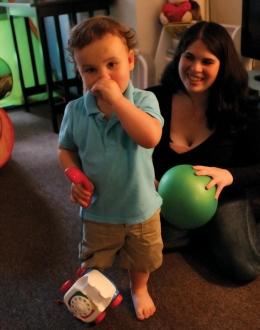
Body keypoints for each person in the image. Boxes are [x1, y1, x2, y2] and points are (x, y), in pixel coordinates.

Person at [58, 16, 164, 320]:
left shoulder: (144, 100)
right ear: (79, 71)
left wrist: (118, 101)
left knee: (141, 258)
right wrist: (74, 176)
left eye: (112, 65)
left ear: (130, 61)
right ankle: (92, 286)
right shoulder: (75, 111)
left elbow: (150, 136)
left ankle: (138, 287)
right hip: (98, 209)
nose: (102, 76)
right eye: (90, 70)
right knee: (95, 259)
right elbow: (65, 149)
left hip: (140, 208)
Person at [148, 21, 260, 282]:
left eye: (207, 61)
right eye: (189, 57)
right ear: (179, 57)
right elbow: (123, 148)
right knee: (140, 245)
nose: (195, 68)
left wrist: (230, 176)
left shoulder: (242, 109)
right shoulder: (154, 100)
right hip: (169, 198)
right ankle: (201, 231)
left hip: (225, 195)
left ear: (222, 65)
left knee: (242, 269)